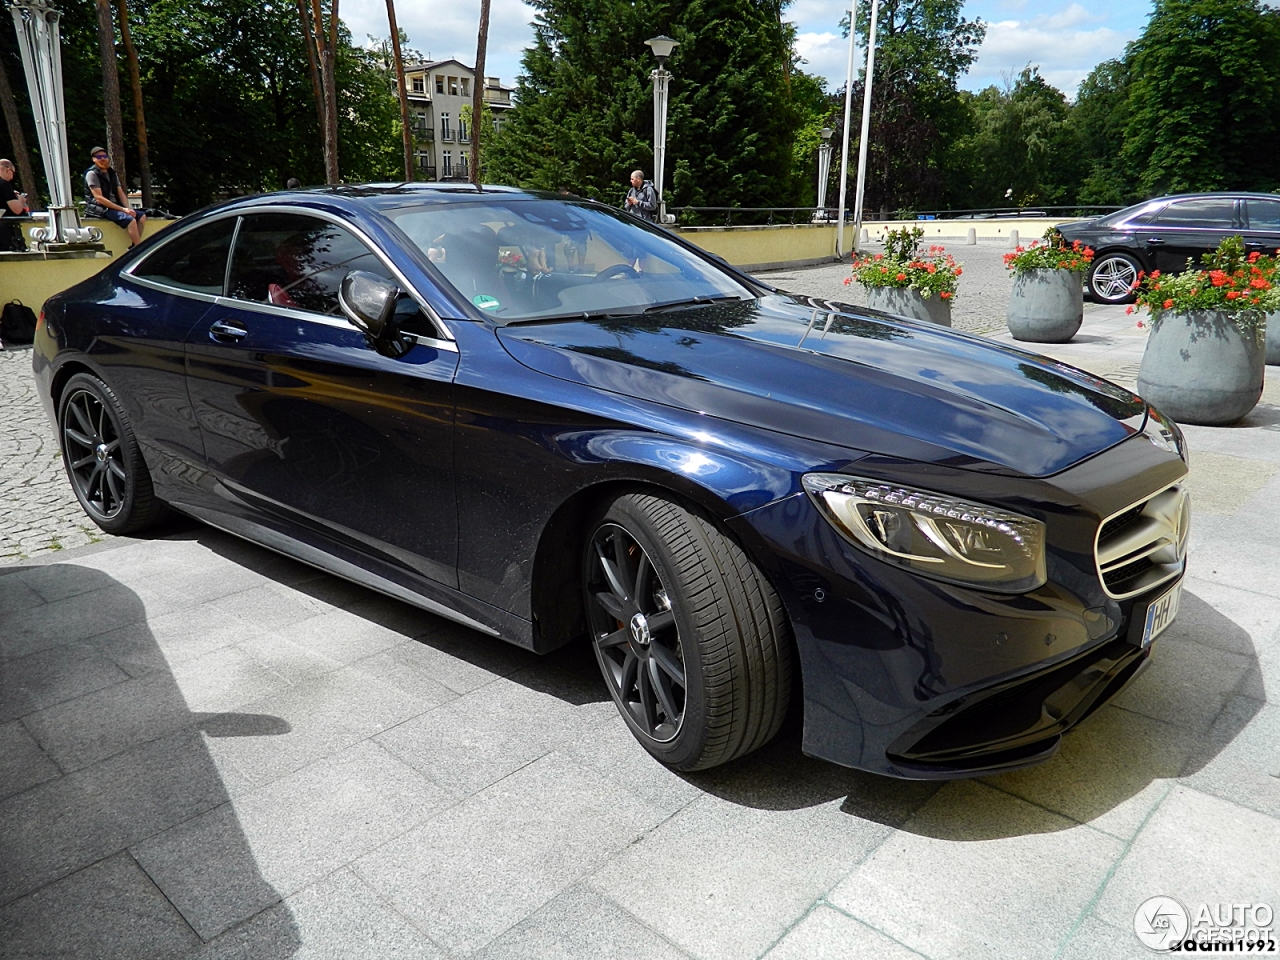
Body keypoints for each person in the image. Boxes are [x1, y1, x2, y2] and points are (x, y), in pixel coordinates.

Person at [84, 147, 145, 246]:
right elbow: (99, 198)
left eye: (104, 156)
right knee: (131, 220)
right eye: (99, 157)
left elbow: (120, 192)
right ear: (94, 159)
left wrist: (128, 208)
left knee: (142, 216)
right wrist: (124, 210)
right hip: (100, 208)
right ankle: (139, 248)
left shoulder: (112, 173)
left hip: (115, 207)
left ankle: (133, 246)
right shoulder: (92, 174)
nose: (102, 159)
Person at [0, 158, 30, 252]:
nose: (12, 177)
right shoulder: (4, 184)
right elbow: (17, 210)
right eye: (13, 172)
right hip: (5, 234)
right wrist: (20, 199)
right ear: (7, 170)